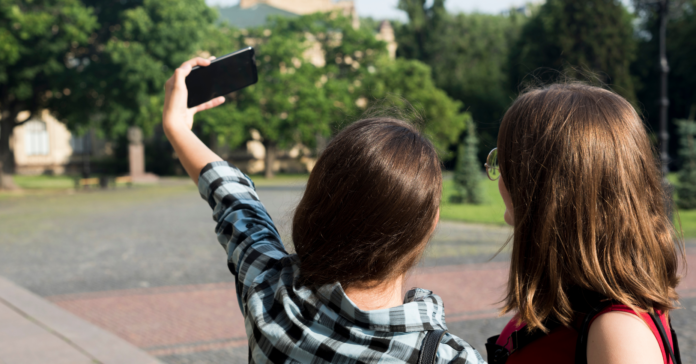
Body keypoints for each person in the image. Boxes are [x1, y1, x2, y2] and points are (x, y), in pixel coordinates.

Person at [162, 57, 486, 363]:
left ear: (318, 204)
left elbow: (235, 199)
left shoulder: (271, 296)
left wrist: (177, 126)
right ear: (430, 223)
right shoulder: (449, 358)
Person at [484, 83, 684, 364]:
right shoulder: (575, 301)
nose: (499, 177)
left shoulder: (617, 332)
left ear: (545, 190)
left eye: (505, 163)